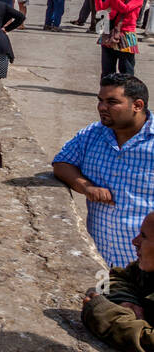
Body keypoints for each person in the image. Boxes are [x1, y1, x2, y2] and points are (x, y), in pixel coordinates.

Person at [54, 74, 154, 267]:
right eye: (100, 101)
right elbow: (61, 163)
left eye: (112, 102)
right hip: (102, 259)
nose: (102, 107)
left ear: (138, 105)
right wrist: (86, 187)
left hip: (145, 267)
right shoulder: (93, 133)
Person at [82, 212, 154, 352]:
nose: (135, 241)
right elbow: (111, 279)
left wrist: (106, 316)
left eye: (144, 236)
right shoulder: (147, 272)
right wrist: (125, 299)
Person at [95, 0, 145, 76]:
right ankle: (107, 90)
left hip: (126, 34)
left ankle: (126, 91)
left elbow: (125, 9)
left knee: (126, 69)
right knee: (107, 69)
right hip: (110, 33)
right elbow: (100, 8)